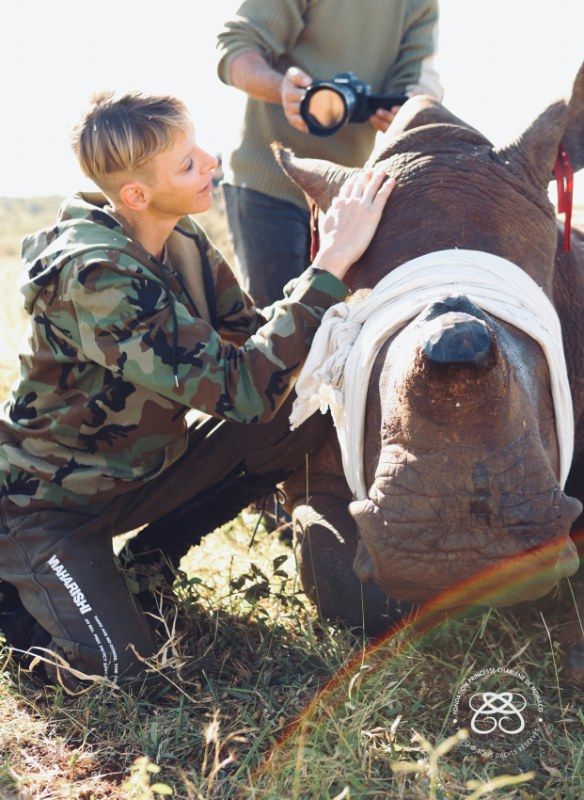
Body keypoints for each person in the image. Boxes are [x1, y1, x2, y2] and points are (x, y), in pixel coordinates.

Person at [0, 91, 395, 690]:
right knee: (123, 675)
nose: (210, 162)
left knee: (301, 413)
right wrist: (334, 261)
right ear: (137, 195)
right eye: (187, 163)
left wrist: (355, 293)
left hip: (138, 475)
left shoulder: (181, 239)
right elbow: (243, 389)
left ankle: (146, 566)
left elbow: (257, 348)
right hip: (47, 509)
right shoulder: (96, 276)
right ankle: (24, 598)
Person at [217, 0, 443, 307]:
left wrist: (404, 105)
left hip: (343, 199)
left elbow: (416, 78)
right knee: (274, 325)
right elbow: (235, 48)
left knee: (333, 326)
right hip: (266, 183)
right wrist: (283, 90)